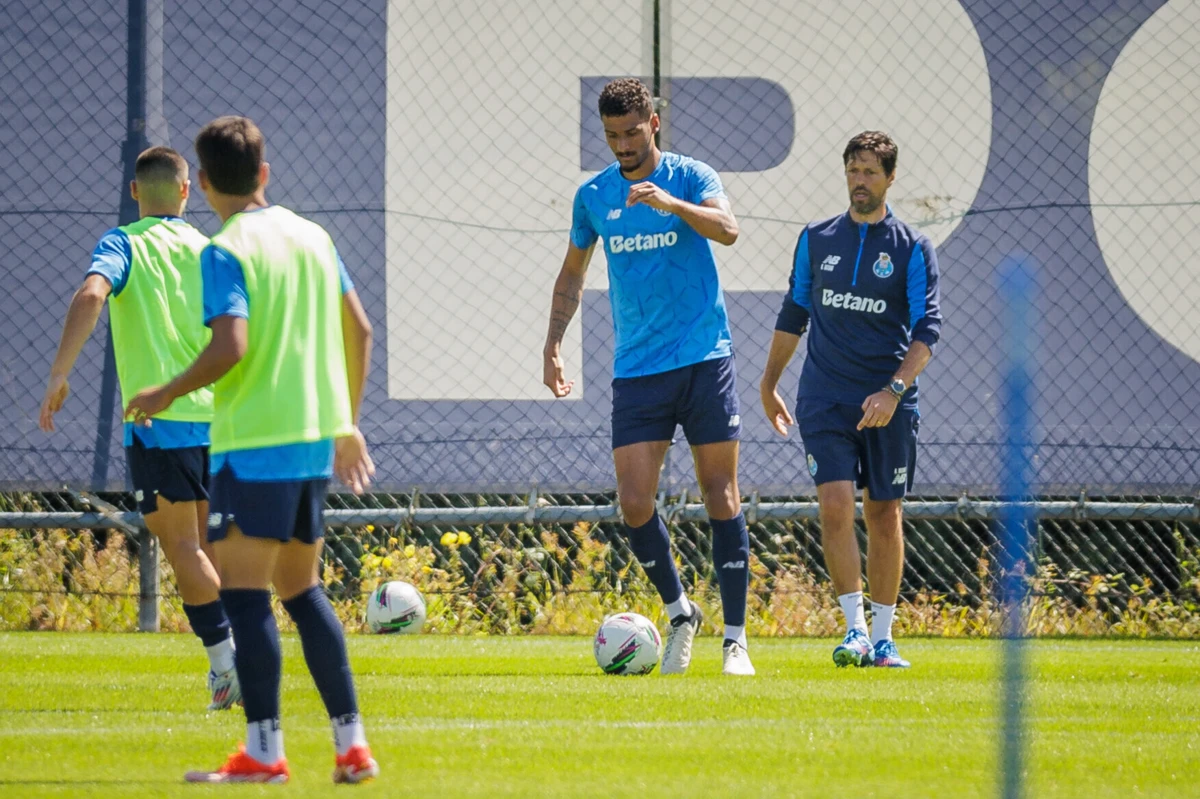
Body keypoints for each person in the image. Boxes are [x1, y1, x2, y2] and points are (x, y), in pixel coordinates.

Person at [125, 116, 379, 783]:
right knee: (302, 591)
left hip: (253, 446)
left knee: (244, 597)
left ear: (204, 183)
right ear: (264, 173)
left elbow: (230, 345)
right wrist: (346, 422)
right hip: (311, 444)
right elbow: (360, 329)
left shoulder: (225, 249)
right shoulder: (314, 237)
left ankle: (265, 752)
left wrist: (164, 391)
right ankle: (352, 744)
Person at [542, 78, 753, 676]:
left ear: (653, 123)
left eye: (632, 133)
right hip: (638, 368)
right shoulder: (593, 196)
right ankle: (682, 612)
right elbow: (572, 274)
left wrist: (671, 205)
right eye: (612, 136)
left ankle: (735, 641)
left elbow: (729, 229)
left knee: (721, 493)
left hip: (704, 357)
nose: (623, 146)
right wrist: (554, 343)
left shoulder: (691, 176)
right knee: (634, 504)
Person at [39, 145, 240, 710]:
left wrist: (59, 373)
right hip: (220, 420)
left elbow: (92, 293)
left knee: (183, 548)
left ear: (134, 192)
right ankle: (242, 655)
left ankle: (230, 662)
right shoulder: (211, 248)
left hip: (160, 422)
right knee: (207, 549)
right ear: (187, 189)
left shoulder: (123, 243)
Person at [760, 131, 942, 668]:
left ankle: (884, 639)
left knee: (883, 512)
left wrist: (893, 390)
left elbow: (927, 330)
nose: (859, 181)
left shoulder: (911, 247)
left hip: (886, 403)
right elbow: (795, 312)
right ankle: (855, 631)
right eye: (852, 171)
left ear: (890, 178)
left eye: (869, 172)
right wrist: (769, 383)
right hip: (824, 397)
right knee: (836, 505)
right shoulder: (816, 239)